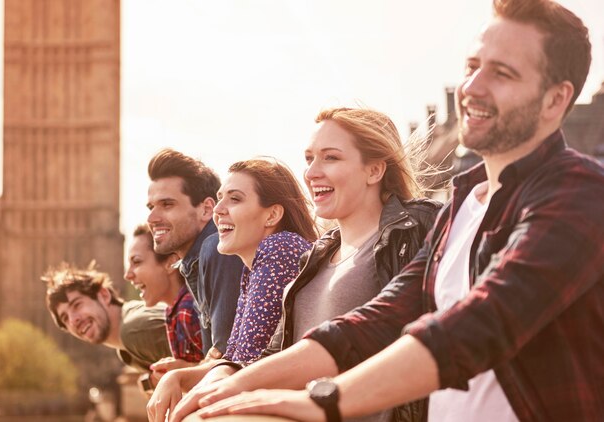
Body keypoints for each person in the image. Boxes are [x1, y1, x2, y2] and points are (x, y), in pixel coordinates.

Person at [181, 1, 604, 421]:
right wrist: (234, 381)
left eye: (502, 73)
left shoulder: (581, 192)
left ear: (555, 100)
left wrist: (323, 400)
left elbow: (481, 325)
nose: (472, 86)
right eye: (472, 66)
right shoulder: (462, 205)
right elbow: (378, 320)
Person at [147, 108, 441, 422]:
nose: (311, 172)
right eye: (309, 158)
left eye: (330, 158)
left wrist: (230, 383)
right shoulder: (315, 257)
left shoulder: (417, 230)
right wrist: (219, 373)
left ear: (374, 171)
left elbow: (409, 341)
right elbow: (272, 354)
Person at [215, 158, 316, 363]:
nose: (218, 210)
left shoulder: (281, 248)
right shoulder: (253, 267)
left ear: (272, 215)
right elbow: (233, 358)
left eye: (234, 199)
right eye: (220, 198)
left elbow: (247, 360)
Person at [146, 149, 244, 358]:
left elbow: (227, 360)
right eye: (151, 207)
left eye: (167, 204)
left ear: (206, 209)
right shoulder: (195, 262)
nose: (152, 218)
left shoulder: (217, 249)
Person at [43, 262, 171, 375]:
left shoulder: (134, 329)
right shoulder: (125, 351)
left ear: (104, 295)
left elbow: (190, 365)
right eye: (65, 318)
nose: (73, 320)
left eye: (77, 305)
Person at [124, 224, 203, 385]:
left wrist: (187, 371)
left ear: (170, 263)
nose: (128, 275)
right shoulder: (174, 311)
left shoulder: (189, 310)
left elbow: (228, 367)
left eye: (137, 262)